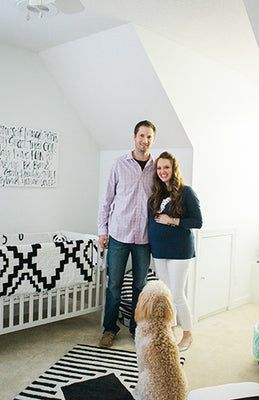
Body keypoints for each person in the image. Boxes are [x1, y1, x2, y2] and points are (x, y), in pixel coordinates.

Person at [97, 120, 156, 348]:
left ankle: (136, 328)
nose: (145, 141)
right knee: (114, 285)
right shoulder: (119, 164)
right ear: (134, 137)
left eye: (149, 137)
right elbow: (106, 200)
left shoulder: (156, 167)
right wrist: (102, 230)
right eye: (142, 136)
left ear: (153, 139)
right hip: (119, 235)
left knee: (140, 285)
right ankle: (109, 329)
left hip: (144, 237)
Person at [148, 151, 202, 351]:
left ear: (173, 169)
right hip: (159, 251)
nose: (163, 171)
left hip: (179, 251)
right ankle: (170, 332)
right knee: (166, 295)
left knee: (177, 294)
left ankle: (187, 334)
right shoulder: (157, 194)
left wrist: (171, 220)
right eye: (160, 168)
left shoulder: (186, 192)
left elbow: (197, 222)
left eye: (166, 167)